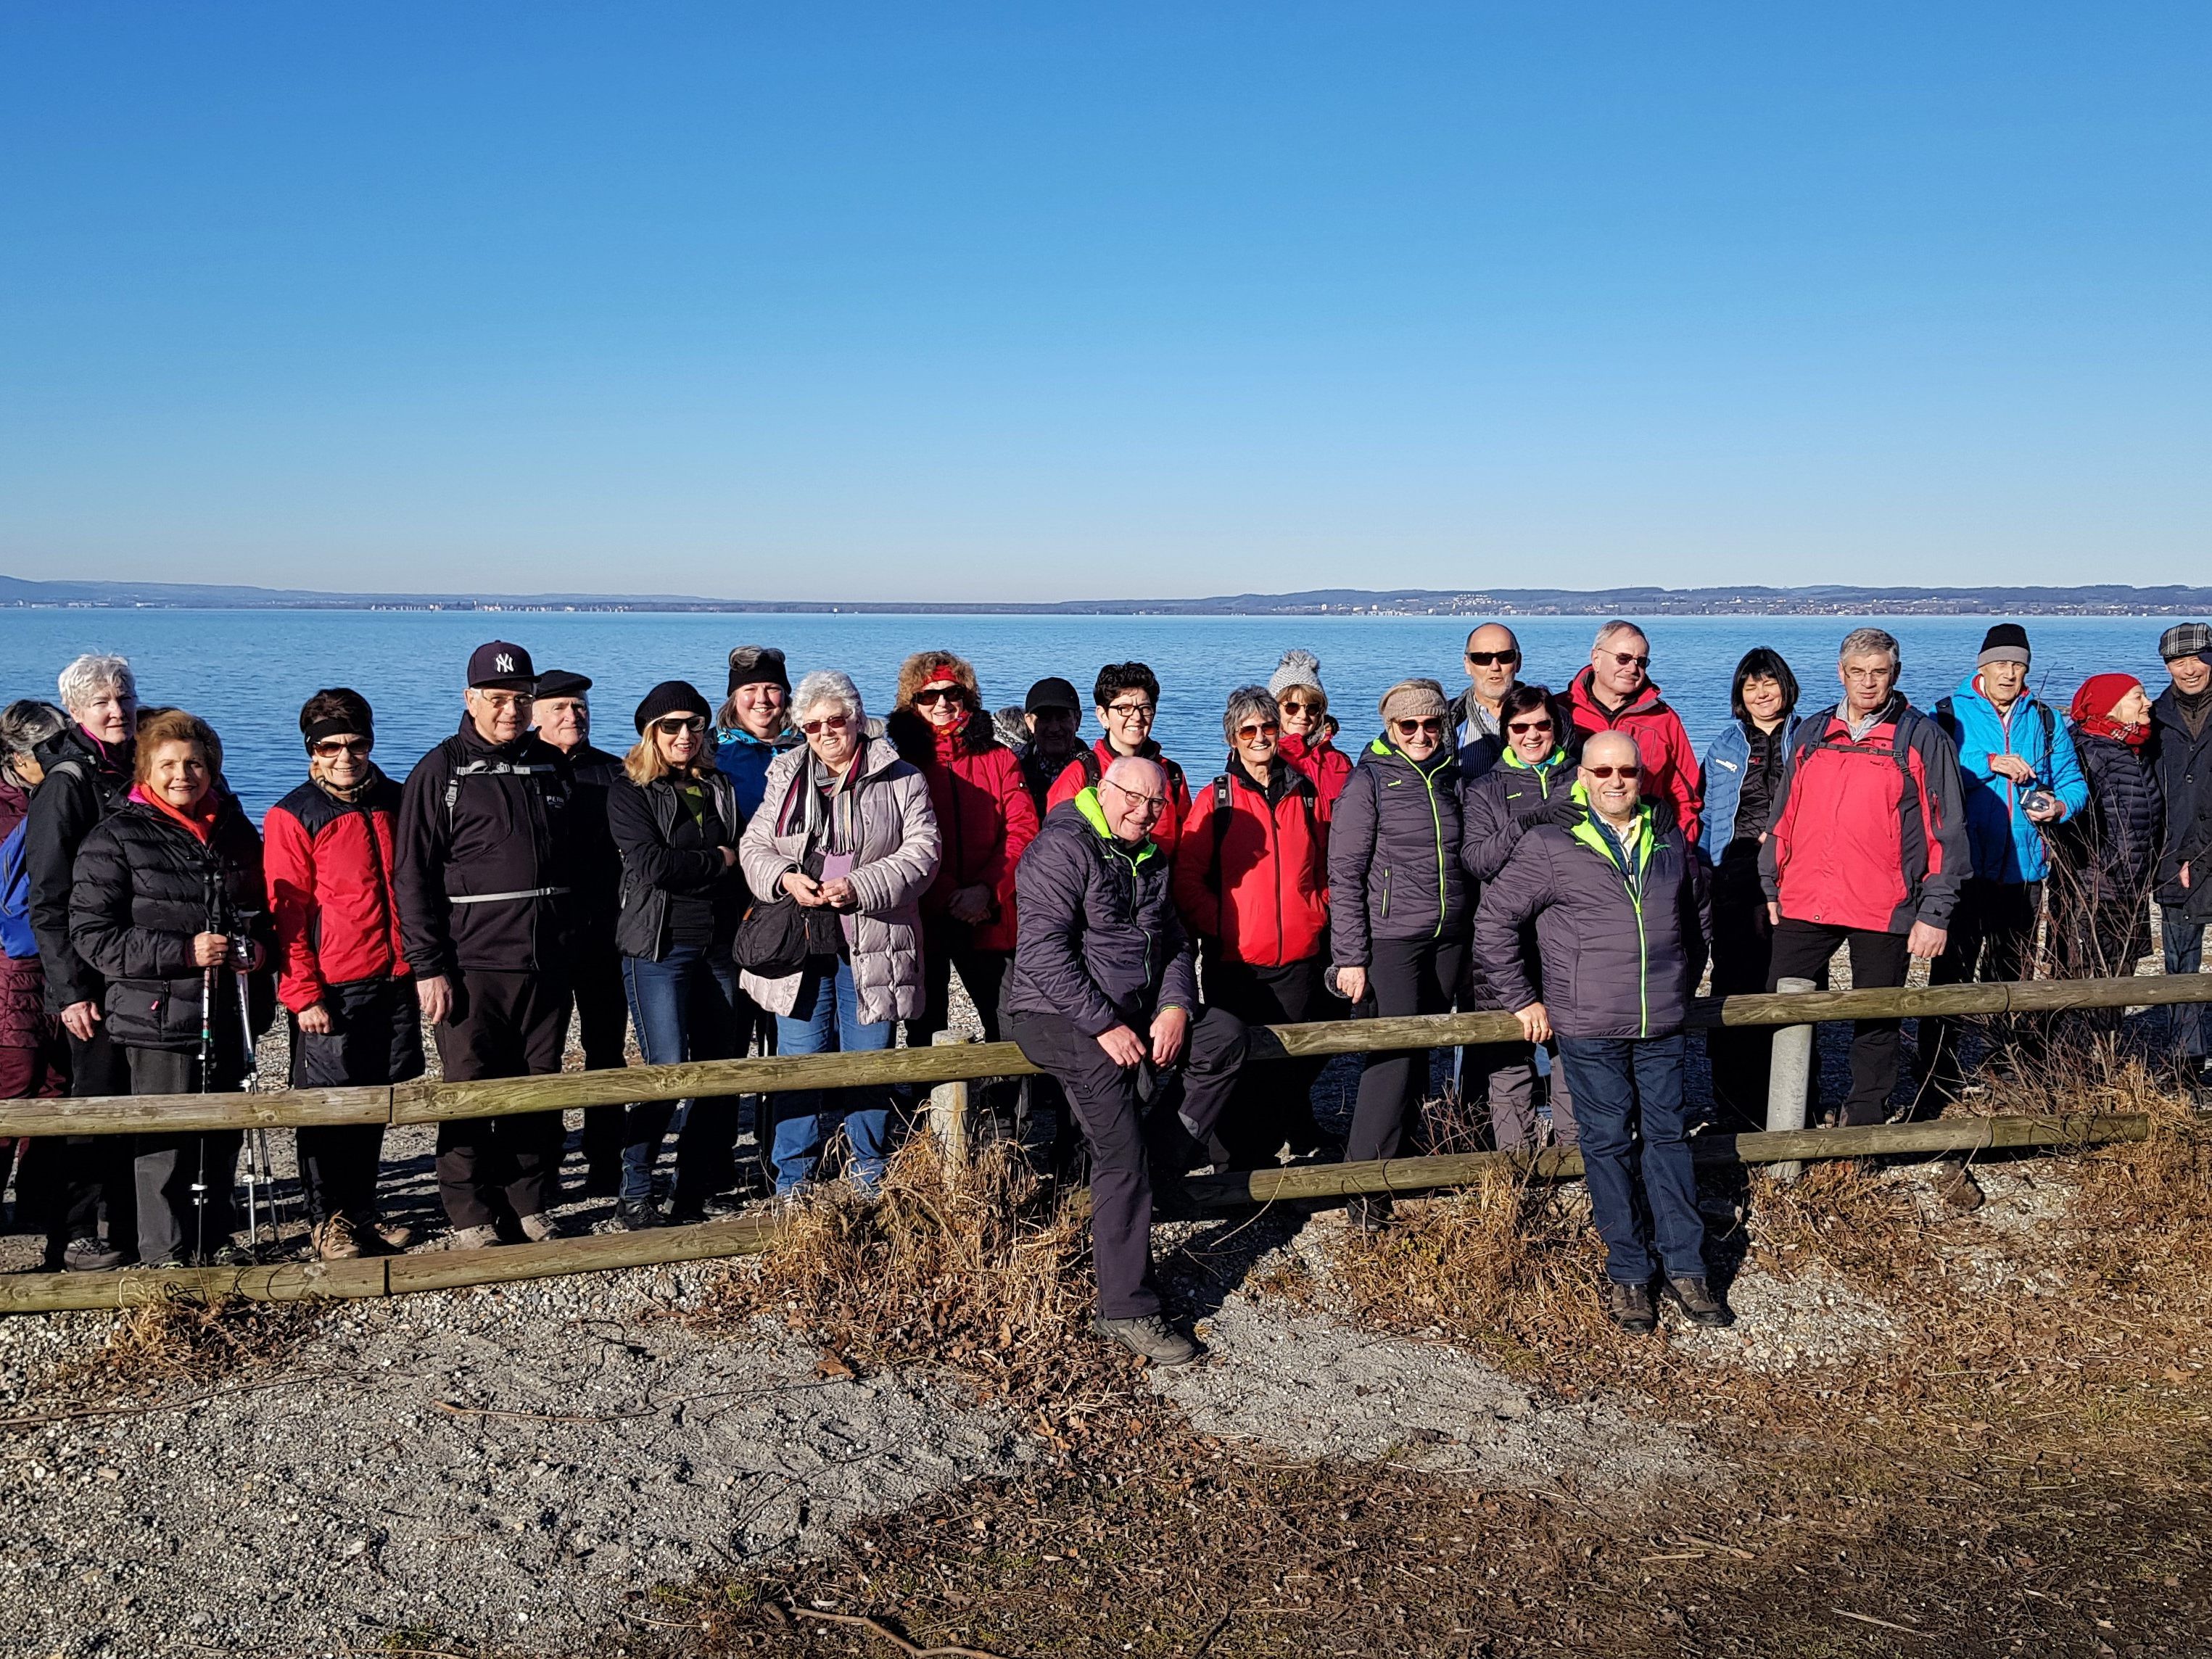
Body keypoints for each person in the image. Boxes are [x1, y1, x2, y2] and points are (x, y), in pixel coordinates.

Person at [1474, 731, 1726, 1333]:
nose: (1616, 781)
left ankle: (1688, 1269)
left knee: (1669, 1140)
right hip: (1587, 1024)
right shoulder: (1550, 843)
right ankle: (1630, 1276)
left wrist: (1680, 985)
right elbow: (1494, 923)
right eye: (1603, 771)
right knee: (1608, 1144)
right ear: (1581, 778)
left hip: (1660, 1021)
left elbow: (1697, 921)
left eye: (1628, 771)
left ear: (1642, 777)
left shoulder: (1667, 839)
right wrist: (1522, 1000)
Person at [1005, 756, 1248, 1368]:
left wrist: (1174, 1006)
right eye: (1132, 799)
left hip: (1130, 1010)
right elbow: (1041, 954)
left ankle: (1159, 1167)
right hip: (1054, 1014)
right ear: (1102, 790)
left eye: (1156, 804)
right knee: (1118, 1148)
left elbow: (1173, 944)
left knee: (1222, 1035)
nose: (1144, 812)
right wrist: (1104, 1023)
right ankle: (1126, 1308)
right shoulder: (1062, 850)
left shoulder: (1150, 857)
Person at [69, 710, 274, 1267]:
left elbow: (260, 912)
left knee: (222, 1131)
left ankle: (214, 1238)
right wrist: (184, 952)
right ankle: (165, 1253)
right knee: (165, 1142)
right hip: (157, 1015)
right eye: (168, 765)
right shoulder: (116, 836)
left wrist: (256, 951)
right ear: (145, 771)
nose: (183, 775)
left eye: (195, 764)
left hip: (227, 1008)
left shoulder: (231, 829)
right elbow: (93, 936)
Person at [395, 641, 579, 1249]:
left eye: (521, 700)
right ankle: (470, 1210)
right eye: (497, 699)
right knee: (470, 1088)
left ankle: (528, 1198)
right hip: (471, 965)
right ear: (470, 699)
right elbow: (413, 876)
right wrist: (429, 966)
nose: (510, 711)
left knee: (539, 1085)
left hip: (546, 962)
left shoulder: (551, 765)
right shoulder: (440, 771)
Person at [738, 671, 939, 1193]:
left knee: (869, 1062)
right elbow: (753, 847)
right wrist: (784, 878)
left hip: (873, 938)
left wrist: (862, 886)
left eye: (836, 720)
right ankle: (793, 1179)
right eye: (812, 726)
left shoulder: (900, 776)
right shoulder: (784, 774)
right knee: (798, 1063)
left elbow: (923, 853)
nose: (826, 733)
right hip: (800, 941)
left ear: (857, 718)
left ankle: (869, 1171)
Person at [1760, 628, 1970, 1126]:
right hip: (1807, 897)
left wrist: (1934, 914)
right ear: (1842, 673)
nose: (1868, 683)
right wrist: (1772, 881)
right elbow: (1784, 813)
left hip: (1885, 904)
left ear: (1894, 674)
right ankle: (1791, 1116)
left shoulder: (1922, 737)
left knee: (1876, 1020)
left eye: (1879, 672)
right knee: (1782, 1009)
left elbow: (1948, 831)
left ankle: (1865, 1124)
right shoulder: (1811, 732)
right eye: (1858, 672)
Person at [262, 690, 420, 1260]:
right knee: (328, 1108)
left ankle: (362, 1209)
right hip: (333, 983)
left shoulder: (399, 800)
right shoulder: (292, 814)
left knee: (375, 1101)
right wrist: (302, 992)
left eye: (356, 744)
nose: (345, 756)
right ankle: (326, 1221)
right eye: (330, 746)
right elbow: (289, 914)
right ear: (312, 751)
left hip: (395, 975)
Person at [1920, 624, 2088, 1100]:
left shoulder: (2047, 719)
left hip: (2026, 870)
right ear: (1982, 667)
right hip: (1962, 869)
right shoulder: (1948, 714)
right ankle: (1937, 1072)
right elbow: (1933, 774)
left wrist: (2060, 806)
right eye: (2000, 664)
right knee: (1950, 974)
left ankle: (2001, 1068)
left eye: (2018, 665)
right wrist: (1989, 760)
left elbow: (2073, 781)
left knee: (2010, 975)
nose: (2009, 673)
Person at [1328, 678, 1468, 1230]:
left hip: (1449, 933)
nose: (1421, 734)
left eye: (1431, 724)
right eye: (1408, 725)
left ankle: (1405, 1159)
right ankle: (1364, 1183)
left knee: (1428, 1047)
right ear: (1390, 728)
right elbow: (1344, 873)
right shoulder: (1370, 781)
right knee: (1393, 1054)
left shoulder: (1452, 776)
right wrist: (1351, 956)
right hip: (1391, 937)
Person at [608, 682, 746, 1228]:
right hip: (659, 946)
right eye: (671, 726)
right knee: (667, 1071)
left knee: (717, 1072)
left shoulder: (719, 785)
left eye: (695, 724)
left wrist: (722, 865)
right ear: (651, 734)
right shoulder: (630, 790)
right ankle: (634, 1191)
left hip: (720, 946)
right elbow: (653, 865)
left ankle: (691, 1185)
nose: (685, 735)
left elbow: (732, 856)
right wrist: (720, 860)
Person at [1173, 686, 1329, 1164]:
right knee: (1235, 1063)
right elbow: (1187, 877)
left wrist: (1316, 914)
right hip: (1235, 961)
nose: (1260, 737)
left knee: (1290, 1062)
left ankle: (1274, 1141)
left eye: (1268, 727)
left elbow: (1327, 869)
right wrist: (1220, 925)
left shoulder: (1306, 794)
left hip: (1299, 959)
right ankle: (1235, 1161)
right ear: (1232, 738)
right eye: (1249, 730)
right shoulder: (1216, 800)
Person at [25, 653, 141, 1270]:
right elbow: (46, 899)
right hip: (87, 980)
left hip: (139, 969)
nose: (117, 710)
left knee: (137, 1101)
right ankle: (71, 1237)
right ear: (75, 712)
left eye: (123, 697)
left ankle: (129, 1224)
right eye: (102, 702)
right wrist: (69, 991)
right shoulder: (67, 783)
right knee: (90, 1105)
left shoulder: (140, 764)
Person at [886, 653, 1039, 1079]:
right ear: (911, 703)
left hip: (990, 914)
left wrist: (987, 891)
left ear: (968, 697)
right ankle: (924, 1130)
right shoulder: (897, 767)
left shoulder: (1000, 759)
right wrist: (948, 893)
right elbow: (894, 842)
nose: (942, 703)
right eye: (929, 695)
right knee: (923, 1028)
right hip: (924, 916)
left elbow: (1023, 831)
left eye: (953, 693)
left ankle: (1010, 1126)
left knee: (1008, 1025)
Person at [1458, 684, 1580, 1151]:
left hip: (1570, 941)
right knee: (1508, 1058)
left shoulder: (1581, 778)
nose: (1532, 735)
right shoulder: (1485, 788)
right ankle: (1516, 1165)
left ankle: (1575, 1160)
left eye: (1541, 725)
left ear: (1556, 727)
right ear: (1506, 732)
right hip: (1505, 939)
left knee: (1572, 1056)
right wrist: (1528, 822)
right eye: (1520, 727)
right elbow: (1479, 861)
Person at [532, 669, 634, 1196]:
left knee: (605, 1050)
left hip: (602, 932)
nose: (573, 716)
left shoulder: (613, 772)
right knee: (540, 1055)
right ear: (535, 714)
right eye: (560, 708)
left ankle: (604, 1160)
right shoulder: (521, 768)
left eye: (580, 707)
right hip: (540, 938)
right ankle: (542, 1166)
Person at [1697, 648, 1804, 1130]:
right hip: (1732, 878)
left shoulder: (1811, 739)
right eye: (1750, 686)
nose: (1761, 694)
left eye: (1770, 683)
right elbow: (1704, 817)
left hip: (1795, 879)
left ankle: (1795, 1099)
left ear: (1786, 686)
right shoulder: (1723, 744)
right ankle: (1733, 1102)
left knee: (1792, 985)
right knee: (1733, 986)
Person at [0, 701, 70, 1263]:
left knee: (56, 1081)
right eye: (51, 751)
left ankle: (40, 1204)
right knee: (13, 1080)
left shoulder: (62, 796)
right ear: (19, 758)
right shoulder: (12, 810)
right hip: (11, 965)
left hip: (55, 959)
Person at [2048, 674, 2158, 1014]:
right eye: (2138, 697)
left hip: (2133, 885)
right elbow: (2070, 821)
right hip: (2094, 887)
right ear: (2111, 707)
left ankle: (2106, 1052)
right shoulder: (2086, 750)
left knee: (2121, 976)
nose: (2148, 703)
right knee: (2085, 980)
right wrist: (2095, 874)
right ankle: (2077, 1059)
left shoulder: (2137, 749)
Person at [1566, 621, 1702, 843]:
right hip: (1575, 845)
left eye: (1641, 662)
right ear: (1596, 659)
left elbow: (1686, 797)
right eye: (1623, 658)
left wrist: (1680, 849)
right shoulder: (1562, 712)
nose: (1632, 668)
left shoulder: (1663, 719)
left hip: (1647, 843)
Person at [1045, 663, 1194, 864]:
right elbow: (1057, 846)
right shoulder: (1083, 773)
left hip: (1159, 890)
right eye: (1124, 709)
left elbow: (1187, 848)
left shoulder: (1171, 775)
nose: (1137, 717)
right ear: (1103, 716)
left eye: (1145, 709)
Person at [2151, 623, 2212, 1096]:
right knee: (2180, 964)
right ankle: (2187, 1061)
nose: (2189, 668)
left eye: (2198, 657)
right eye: (2178, 661)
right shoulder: (2154, 718)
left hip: (2201, 851)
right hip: (2174, 861)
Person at [714, 645, 796, 821]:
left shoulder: (811, 743)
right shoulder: (711, 748)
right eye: (750, 689)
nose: (762, 699)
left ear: (785, 695)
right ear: (734, 698)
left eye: (772, 688)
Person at [1269, 650, 1353, 813]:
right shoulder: (1262, 757)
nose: (1303, 716)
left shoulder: (1339, 762)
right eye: (1291, 707)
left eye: (1312, 708)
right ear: (1274, 709)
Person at [1448, 623, 1525, 777]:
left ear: (1518, 662)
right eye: (1482, 658)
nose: (1495, 667)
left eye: (1505, 657)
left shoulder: (1550, 718)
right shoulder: (1446, 720)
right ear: (1467, 665)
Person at [1013, 677, 1084, 814]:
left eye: (1062, 717)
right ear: (1029, 722)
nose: (1054, 728)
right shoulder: (1014, 770)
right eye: (1045, 718)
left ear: (1077, 720)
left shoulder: (1096, 771)